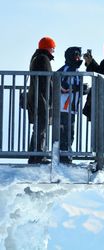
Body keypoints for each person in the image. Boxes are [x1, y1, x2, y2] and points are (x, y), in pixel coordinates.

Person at [27, 36, 56, 164]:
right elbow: (45, 81)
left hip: (36, 96)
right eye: (53, 48)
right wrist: (50, 95)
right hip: (41, 98)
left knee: (39, 127)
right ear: (48, 48)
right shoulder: (43, 59)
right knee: (41, 127)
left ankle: (35, 155)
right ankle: (38, 155)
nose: (53, 51)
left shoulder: (37, 57)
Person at [57, 47, 85, 163]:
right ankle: (63, 157)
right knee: (65, 133)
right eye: (77, 56)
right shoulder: (66, 70)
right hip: (64, 107)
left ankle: (66, 156)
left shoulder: (76, 71)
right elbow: (61, 87)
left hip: (71, 108)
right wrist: (78, 88)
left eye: (80, 56)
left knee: (70, 133)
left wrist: (83, 90)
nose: (79, 58)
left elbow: (74, 88)